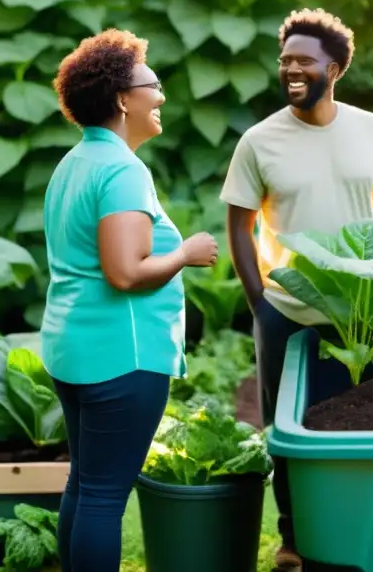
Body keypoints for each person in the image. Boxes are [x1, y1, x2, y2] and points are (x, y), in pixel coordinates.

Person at [220, 8, 373, 571]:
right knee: (288, 428)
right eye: (285, 61)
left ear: (335, 67)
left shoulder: (371, 128)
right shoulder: (259, 140)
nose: (291, 69)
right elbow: (239, 222)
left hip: (364, 309)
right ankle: (294, 537)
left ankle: (372, 527)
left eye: (304, 60)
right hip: (289, 310)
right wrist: (261, 302)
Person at [40, 28, 219, 572]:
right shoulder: (120, 169)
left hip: (75, 350)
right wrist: (185, 253)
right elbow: (125, 272)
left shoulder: (74, 163)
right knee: (103, 497)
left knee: (85, 485)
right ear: (122, 98)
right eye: (154, 83)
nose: (161, 95)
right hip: (121, 355)